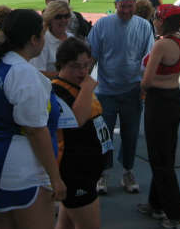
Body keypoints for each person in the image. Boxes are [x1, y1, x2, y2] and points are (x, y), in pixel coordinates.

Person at [0, 9, 65, 229]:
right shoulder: (23, 73)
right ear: (34, 40)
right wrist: (55, 177)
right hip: (21, 167)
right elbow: (36, 131)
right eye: (42, 35)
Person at [88, 0, 154, 194]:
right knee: (103, 135)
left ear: (135, 5)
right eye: (122, 6)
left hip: (133, 91)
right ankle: (101, 172)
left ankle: (128, 171)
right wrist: (84, 86)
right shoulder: (102, 25)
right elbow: (91, 56)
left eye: (130, 6)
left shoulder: (143, 26)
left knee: (131, 134)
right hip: (106, 91)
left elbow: (148, 59)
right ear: (115, 4)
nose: (126, 10)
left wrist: (144, 86)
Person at [138, 5, 180, 229]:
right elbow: (172, 75)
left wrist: (142, 85)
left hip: (159, 102)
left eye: (156, 18)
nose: (154, 20)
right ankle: (155, 204)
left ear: (162, 21)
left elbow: (147, 82)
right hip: (175, 99)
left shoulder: (161, 44)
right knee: (165, 152)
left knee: (160, 159)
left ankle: (176, 215)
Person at [53, 38, 111, 229]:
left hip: (86, 169)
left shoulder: (78, 86)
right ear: (61, 64)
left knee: (66, 222)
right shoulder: (57, 91)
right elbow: (76, 120)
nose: (83, 72)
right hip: (74, 172)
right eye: (75, 66)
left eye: (86, 65)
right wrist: (87, 88)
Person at [30, 0, 73, 78]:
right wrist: (66, 75)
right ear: (50, 19)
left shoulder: (71, 38)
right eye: (58, 17)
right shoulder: (42, 41)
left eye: (66, 16)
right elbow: (37, 73)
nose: (63, 20)